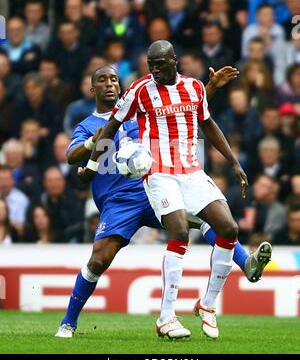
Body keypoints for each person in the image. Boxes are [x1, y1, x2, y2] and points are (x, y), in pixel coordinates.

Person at [72, 54, 272, 340]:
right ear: (92, 89)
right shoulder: (97, 119)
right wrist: (93, 155)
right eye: (102, 80)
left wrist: (210, 87)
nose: (109, 84)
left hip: (158, 185)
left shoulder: (141, 107)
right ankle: (68, 322)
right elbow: (72, 156)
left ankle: (245, 264)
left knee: (209, 221)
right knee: (99, 260)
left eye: (114, 78)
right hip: (121, 199)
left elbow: (182, 105)